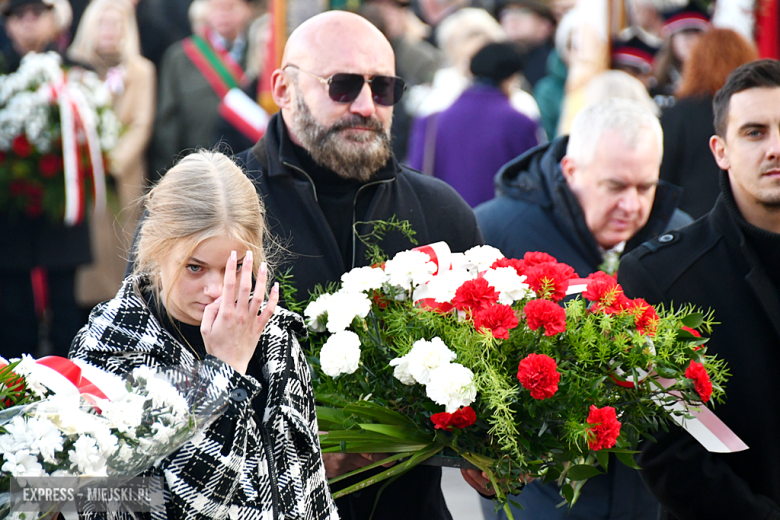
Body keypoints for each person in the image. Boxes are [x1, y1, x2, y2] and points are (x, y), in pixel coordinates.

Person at [232, 10, 483, 520]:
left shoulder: (440, 211)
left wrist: (491, 447)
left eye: (384, 88)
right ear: (283, 88)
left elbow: (485, 361)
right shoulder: (220, 210)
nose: (367, 106)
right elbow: (153, 378)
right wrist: (289, 453)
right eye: (343, 86)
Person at [70, 150, 338, 520]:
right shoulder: (113, 342)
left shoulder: (274, 334)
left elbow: (310, 489)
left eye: (236, 266)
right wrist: (224, 373)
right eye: (195, 267)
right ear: (157, 249)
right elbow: (134, 509)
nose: (216, 289)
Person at [475, 99, 690, 519]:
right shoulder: (496, 232)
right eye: (615, 186)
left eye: (646, 187)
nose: (632, 205)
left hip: (652, 497)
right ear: (571, 171)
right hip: (542, 500)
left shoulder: (681, 238)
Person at [617, 58, 780, 520]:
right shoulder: (659, 276)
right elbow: (666, 450)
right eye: (754, 132)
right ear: (720, 150)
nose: (775, 147)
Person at [0, 0, 91, 359]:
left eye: (36, 15)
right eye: (19, 17)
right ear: (7, 25)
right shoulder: (4, 73)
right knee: (12, 313)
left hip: (61, 215)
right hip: (11, 216)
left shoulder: (77, 72)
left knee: (67, 311)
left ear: (53, 21)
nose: (28, 24)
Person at [68, 0, 156, 315]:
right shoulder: (74, 68)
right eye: (104, 23)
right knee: (87, 264)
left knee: (121, 254)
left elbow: (142, 124)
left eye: (117, 24)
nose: (110, 31)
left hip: (123, 178)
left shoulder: (142, 70)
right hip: (84, 180)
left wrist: (112, 163)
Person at [407, 41, 539, 207]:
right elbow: (532, 183)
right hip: (497, 225)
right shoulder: (519, 123)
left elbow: (417, 174)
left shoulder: (431, 121)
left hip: (443, 221)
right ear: (511, 78)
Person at [659, 28, 757, 219]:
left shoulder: (677, 114)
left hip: (689, 226)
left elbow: (663, 180)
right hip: (744, 220)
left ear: (696, 63)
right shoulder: (755, 115)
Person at [150, 0, 254, 177]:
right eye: (217, 7)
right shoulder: (180, 57)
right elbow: (168, 123)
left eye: (231, 7)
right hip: (197, 170)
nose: (224, 15)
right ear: (205, 12)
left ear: (247, 10)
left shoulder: (260, 53)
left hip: (252, 168)